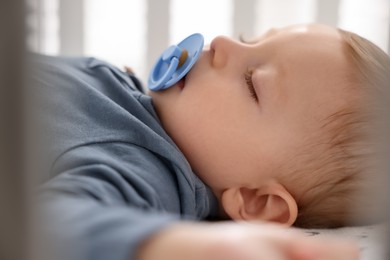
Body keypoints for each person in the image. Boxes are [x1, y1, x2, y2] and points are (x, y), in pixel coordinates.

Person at [30, 23, 389, 260]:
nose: (221, 43)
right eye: (250, 39)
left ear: (257, 201)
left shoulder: (138, 164)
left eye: (252, 82)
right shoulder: (140, 106)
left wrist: (172, 246)